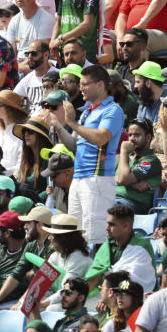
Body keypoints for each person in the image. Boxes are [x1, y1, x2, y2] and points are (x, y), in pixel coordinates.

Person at [50, 65, 125, 246]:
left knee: (94, 237)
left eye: (85, 84)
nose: (80, 88)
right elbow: (73, 145)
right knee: (77, 236)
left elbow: (101, 138)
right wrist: (59, 126)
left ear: (100, 85)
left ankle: (97, 274)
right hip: (79, 178)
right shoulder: (88, 112)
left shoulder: (112, 110)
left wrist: (72, 124)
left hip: (97, 179)